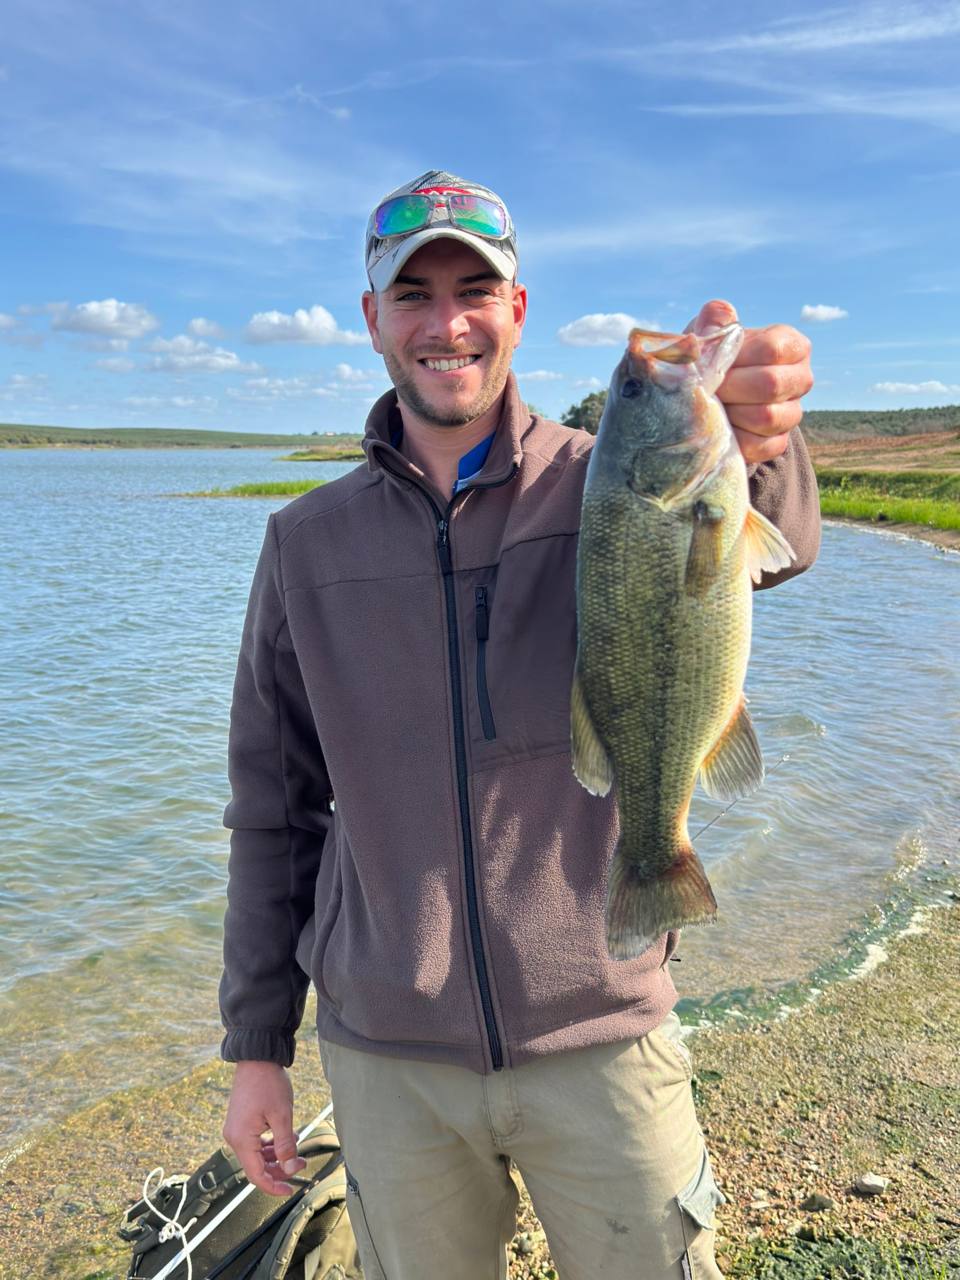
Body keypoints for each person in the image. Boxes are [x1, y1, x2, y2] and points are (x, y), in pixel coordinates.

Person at [218, 170, 820, 1279]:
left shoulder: (602, 481)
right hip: (387, 1058)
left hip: (603, 1030)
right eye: (414, 295)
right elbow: (273, 808)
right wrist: (258, 1045)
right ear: (373, 320)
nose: (446, 324)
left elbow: (764, 549)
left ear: (519, 310)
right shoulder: (304, 543)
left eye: (475, 292)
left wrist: (765, 442)